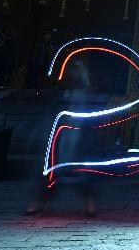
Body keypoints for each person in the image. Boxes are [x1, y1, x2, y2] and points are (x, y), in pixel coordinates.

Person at [25, 57, 97, 217]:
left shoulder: (85, 94)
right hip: (62, 137)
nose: (72, 75)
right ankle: (38, 201)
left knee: (83, 171)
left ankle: (90, 203)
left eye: (76, 72)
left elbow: (90, 118)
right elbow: (52, 115)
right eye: (71, 71)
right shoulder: (63, 94)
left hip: (78, 137)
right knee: (51, 171)